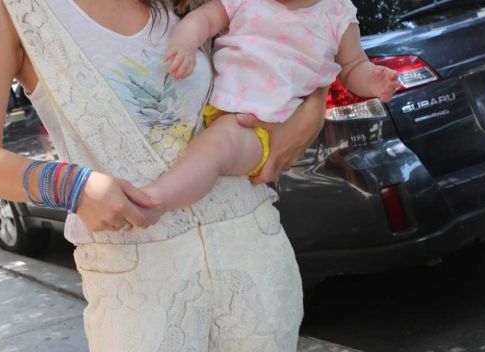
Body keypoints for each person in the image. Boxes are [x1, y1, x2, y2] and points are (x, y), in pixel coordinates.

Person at [0, 0, 327, 352]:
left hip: (251, 246)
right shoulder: (9, 7)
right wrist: (74, 185)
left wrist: (311, 109)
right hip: (136, 281)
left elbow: (290, 42)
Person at [141, 0, 400, 212]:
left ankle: (155, 200)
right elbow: (204, 20)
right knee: (212, 146)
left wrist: (371, 80)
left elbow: (353, 66)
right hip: (221, 107)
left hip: (266, 129)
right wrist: (184, 44)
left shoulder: (338, 13)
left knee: (216, 148)